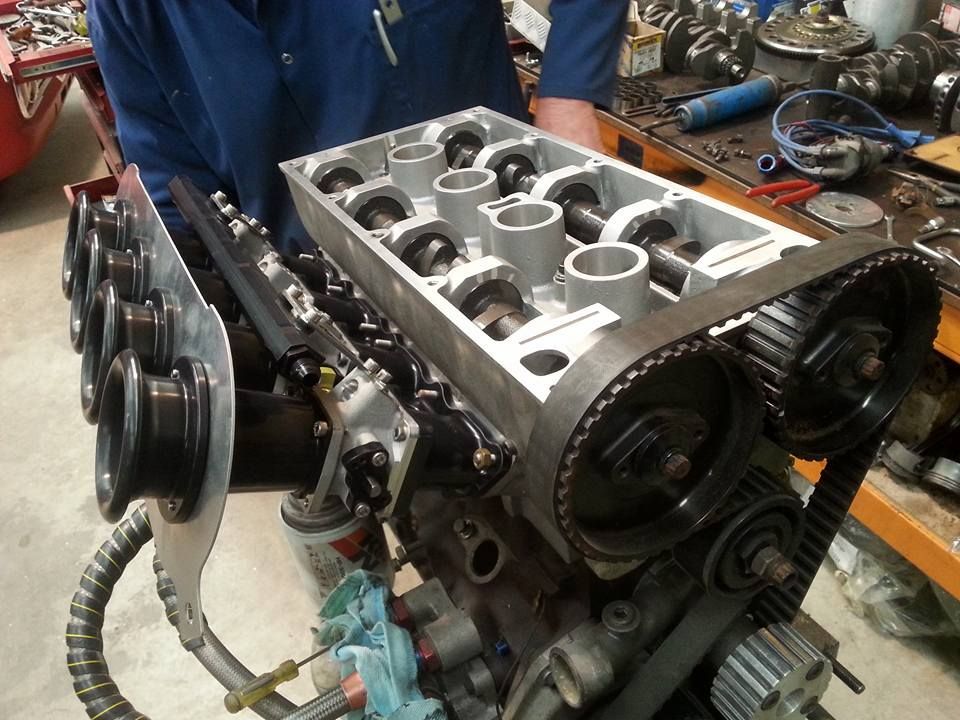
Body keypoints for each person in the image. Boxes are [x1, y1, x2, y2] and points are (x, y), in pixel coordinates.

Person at [88, 1, 630, 251]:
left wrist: (568, 94)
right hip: (320, 296)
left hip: (506, 228)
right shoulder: (129, 9)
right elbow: (172, 189)